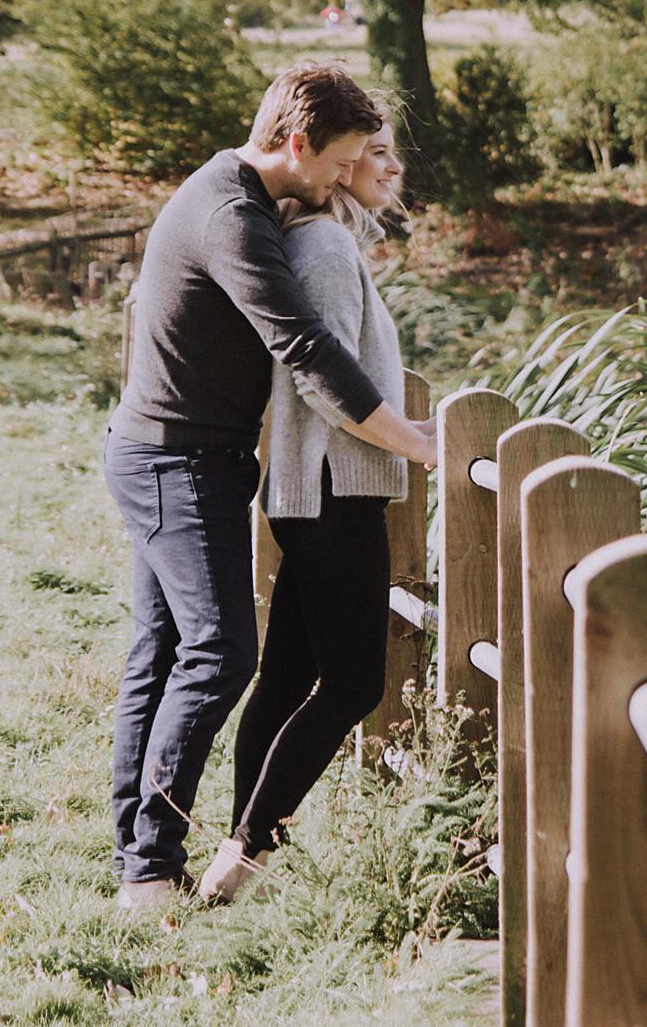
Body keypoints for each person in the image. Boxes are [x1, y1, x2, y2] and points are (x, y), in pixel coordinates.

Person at [102, 64, 438, 913]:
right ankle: (153, 865)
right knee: (221, 656)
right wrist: (413, 441)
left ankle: (147, 856)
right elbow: (309, 355)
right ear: (298, 143)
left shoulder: (243, 203)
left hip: (184, 453)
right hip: (179, 458)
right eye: (348, 157)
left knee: (168, 654)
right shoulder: (236, 215)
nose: (353, 173)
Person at [198, 122, 410, 903]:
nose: (386, 165)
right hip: (333, 490)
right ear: (337, 165)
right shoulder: (322, 248)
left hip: (318, 491)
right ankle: (248, 854)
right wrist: (411, 440)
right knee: (353, 684)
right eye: (371, 153)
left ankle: (234, 854)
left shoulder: (322, 241)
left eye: (390, 152)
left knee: (288, 677)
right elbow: (319, 378)